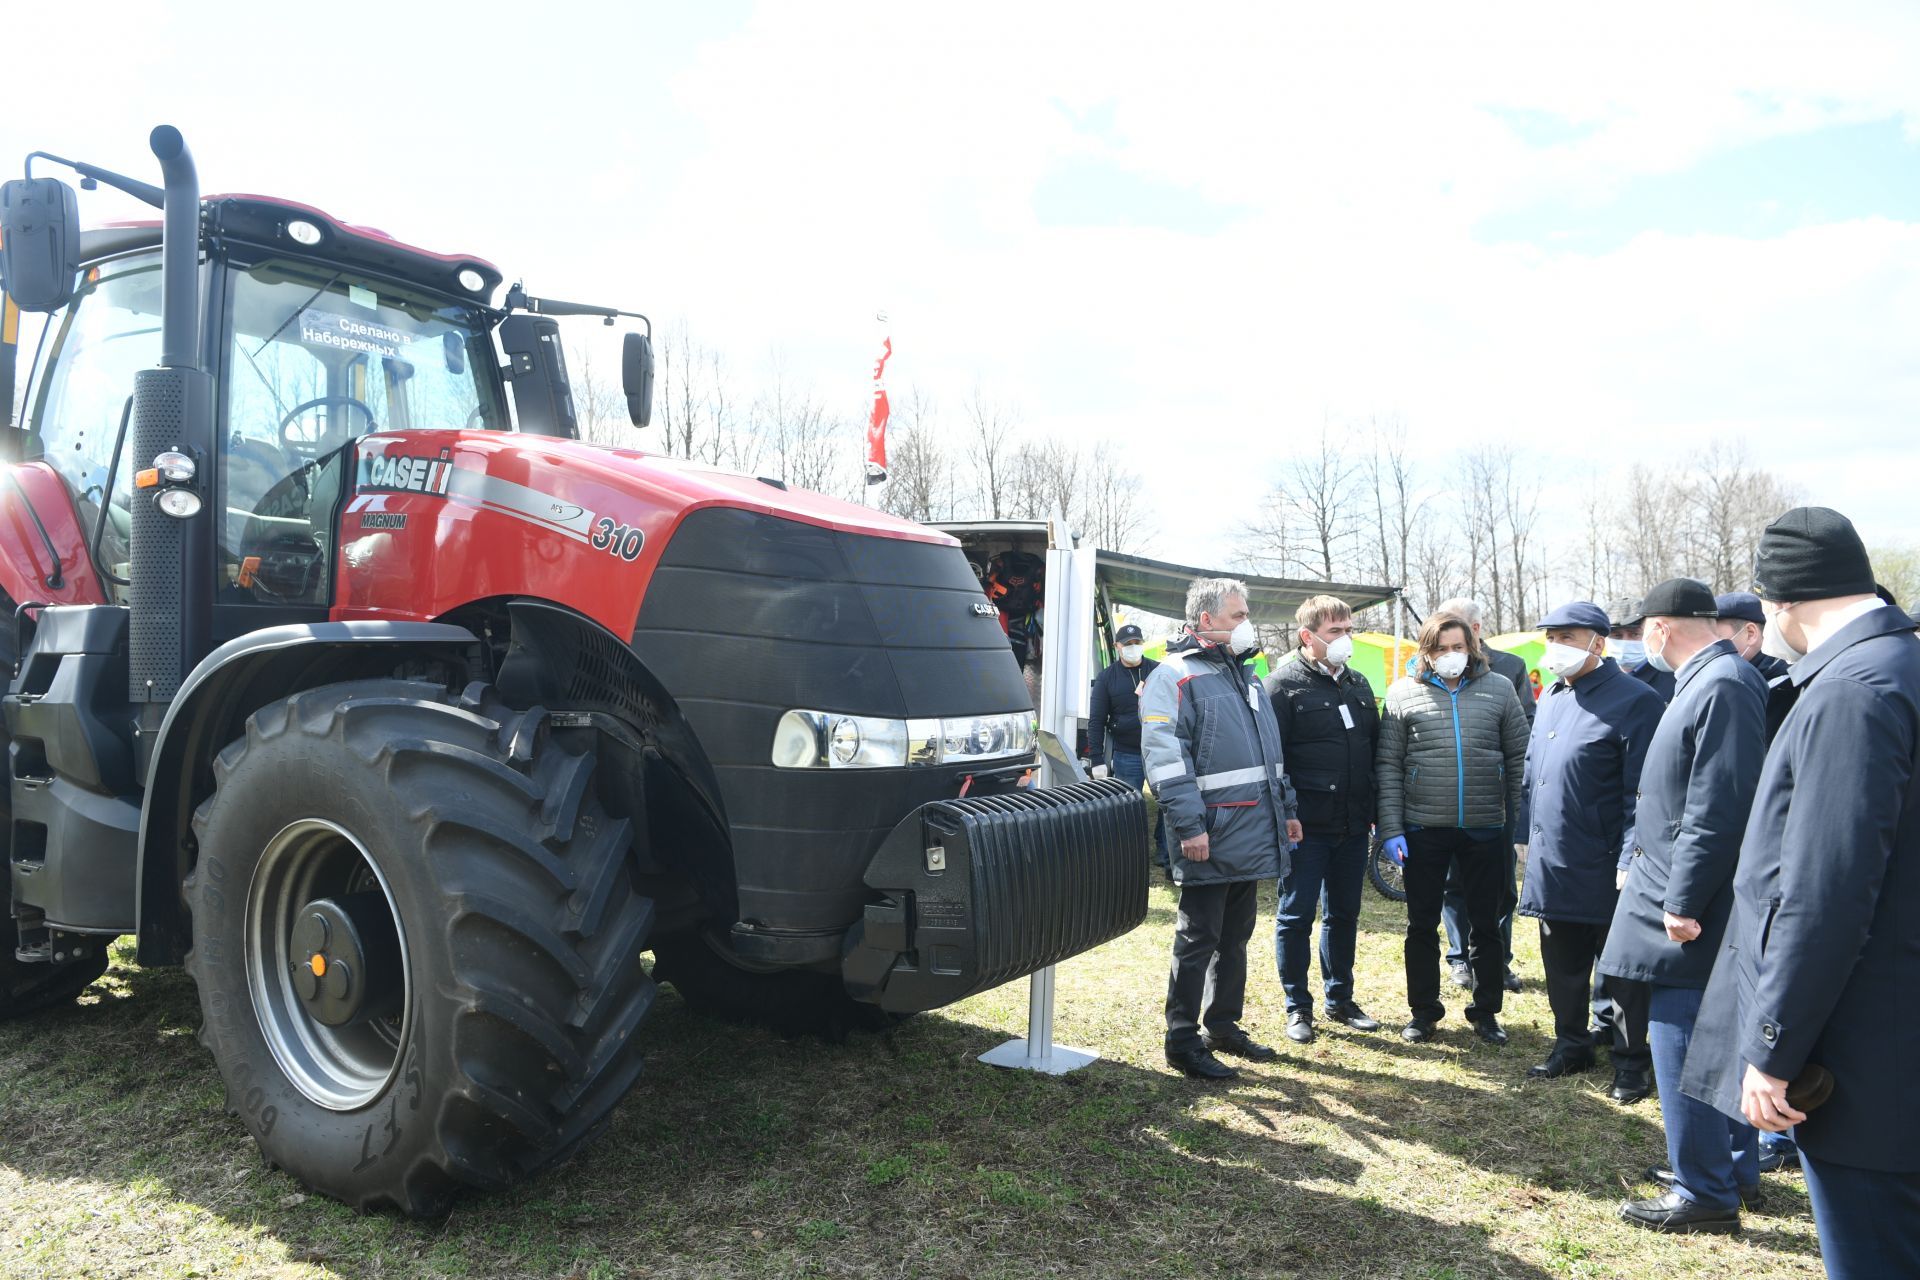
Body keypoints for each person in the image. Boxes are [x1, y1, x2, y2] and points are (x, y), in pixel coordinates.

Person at [1681, 508, 1920, 1277]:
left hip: (1869, 1064)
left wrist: (1772, 1048)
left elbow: (1825, 891)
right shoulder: (1901, 666)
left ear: (1781, 600)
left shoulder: (1852, 690)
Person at [1598, 579, 1768, 1233]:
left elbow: (1718, 802)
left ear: (1661, 627)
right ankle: (1725, 1171)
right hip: (1675, 887)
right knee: (1702, 1031)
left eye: (1641, 628)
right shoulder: (1713, 677)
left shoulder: (1721, 682)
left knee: (1685, 1034)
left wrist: (1684, 899)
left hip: (1684, 901)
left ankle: (1706, 1189)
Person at [1142, 577, 1302, 1081]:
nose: (1246, 621)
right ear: (1206, 620)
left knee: (1235, 937)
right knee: (1198, 939)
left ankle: (1224, 1026)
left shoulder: (1246, 675)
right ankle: (1182, 1040)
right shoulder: (1175, 675)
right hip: (1209, 832)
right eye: (1237, 614)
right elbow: (1166, 760)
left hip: (1252, 829)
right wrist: (1190, 827)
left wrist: (1288, 809)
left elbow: (1270, 756)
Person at [1516, 601, 1664, 1103]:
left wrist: (1631, 858)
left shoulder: (1635, 700)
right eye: (1550, 635)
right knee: (1561, 960)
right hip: (1552, 859)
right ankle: (1571, 1043)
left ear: (1597, 643)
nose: (1554, 645)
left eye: (1566, 636)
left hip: (1606, 863)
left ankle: (1630, 1063)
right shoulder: (1554, 696)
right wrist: (1525, 838)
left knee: (1621, 970)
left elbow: (1642, 793)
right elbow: (1533, 774)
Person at [1376, 613, 1530, 1046]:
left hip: (1486, 826)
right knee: (1421, 924)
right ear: (1425, 651)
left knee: (1487, 922)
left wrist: (1518, 825)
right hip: (1424, 827)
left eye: (1457, 647)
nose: (1450, 655)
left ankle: (1486, 1012)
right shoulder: (1402, 694)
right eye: (1440, 648)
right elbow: (1388, 765)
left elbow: (1519, 757)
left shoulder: (1499, 689)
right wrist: (1391, 828)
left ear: (1472, 647)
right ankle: (1424, 1012)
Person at [1264, 595, 1381, 1044]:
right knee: (1295, 916)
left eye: (1349, 630)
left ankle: (1341, 998)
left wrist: (1372, 813)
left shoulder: (1358, 683)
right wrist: (1287, 815)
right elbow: (1274, 761)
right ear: (1307, 636)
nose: (1345, 639)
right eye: (1335, 632)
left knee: (1344, 914)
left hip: (1352, 824)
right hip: (1305, 827)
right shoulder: (1282, 686)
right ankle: (1298, 1006)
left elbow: (1372, 750)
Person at [1433, 598, 1530, 995]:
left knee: (1501, 885)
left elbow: (1525, 729)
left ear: (1475, 629)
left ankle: (1497, 959)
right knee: (1453, 884)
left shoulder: (1509, 668)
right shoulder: (1427, 667)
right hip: (1444, 800)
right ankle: (1459, 959)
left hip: (1494, 799)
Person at [1087, 623, 1166, 872]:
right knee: (1128, 807)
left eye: (1137, 643)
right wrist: (1096, 759)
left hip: (1158, 751)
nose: (1133, 648)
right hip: (1126, 753)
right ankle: (1130, 854)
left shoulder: (1158, 671)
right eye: (1128, 644)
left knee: (1167, 802)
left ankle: (1165, 851)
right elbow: (1096, 721)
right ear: (1117, 647)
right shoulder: (1107, 678)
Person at [1607, 597, 1677, 705]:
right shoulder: (1598, 678)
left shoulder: (1674, 680)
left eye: (1635, 634)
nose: (1626, 642)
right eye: (1617, 635)